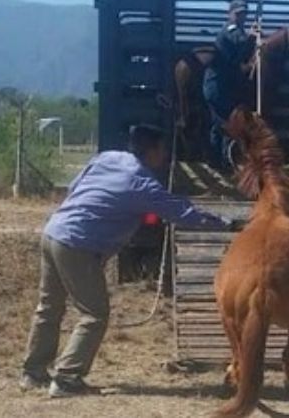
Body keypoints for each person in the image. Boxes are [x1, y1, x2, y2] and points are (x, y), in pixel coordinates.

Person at [20, 125, 244, 398]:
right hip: (79, 245)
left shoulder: (107, 158)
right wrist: (228, 224)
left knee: (49, 307)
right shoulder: (142, 184)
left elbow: (76, 186)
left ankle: (33, 373)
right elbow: (183, 213)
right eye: (162, 150)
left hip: (54, 231)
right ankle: (67, 379)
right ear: (151, 151)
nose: (165, 156)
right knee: (94, 314)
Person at [203, 0, 256, 169]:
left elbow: (242, 54)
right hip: (218, 87)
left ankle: (217, 161)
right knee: (227, 122)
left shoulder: (237, 31)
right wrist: (252, 36)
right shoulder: (230, 31)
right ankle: (224, 161)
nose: (242, 17)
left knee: (219, 123)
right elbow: (238, 41)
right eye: (238, 14)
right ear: (230, 14)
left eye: (244, 14)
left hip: (221, 86)